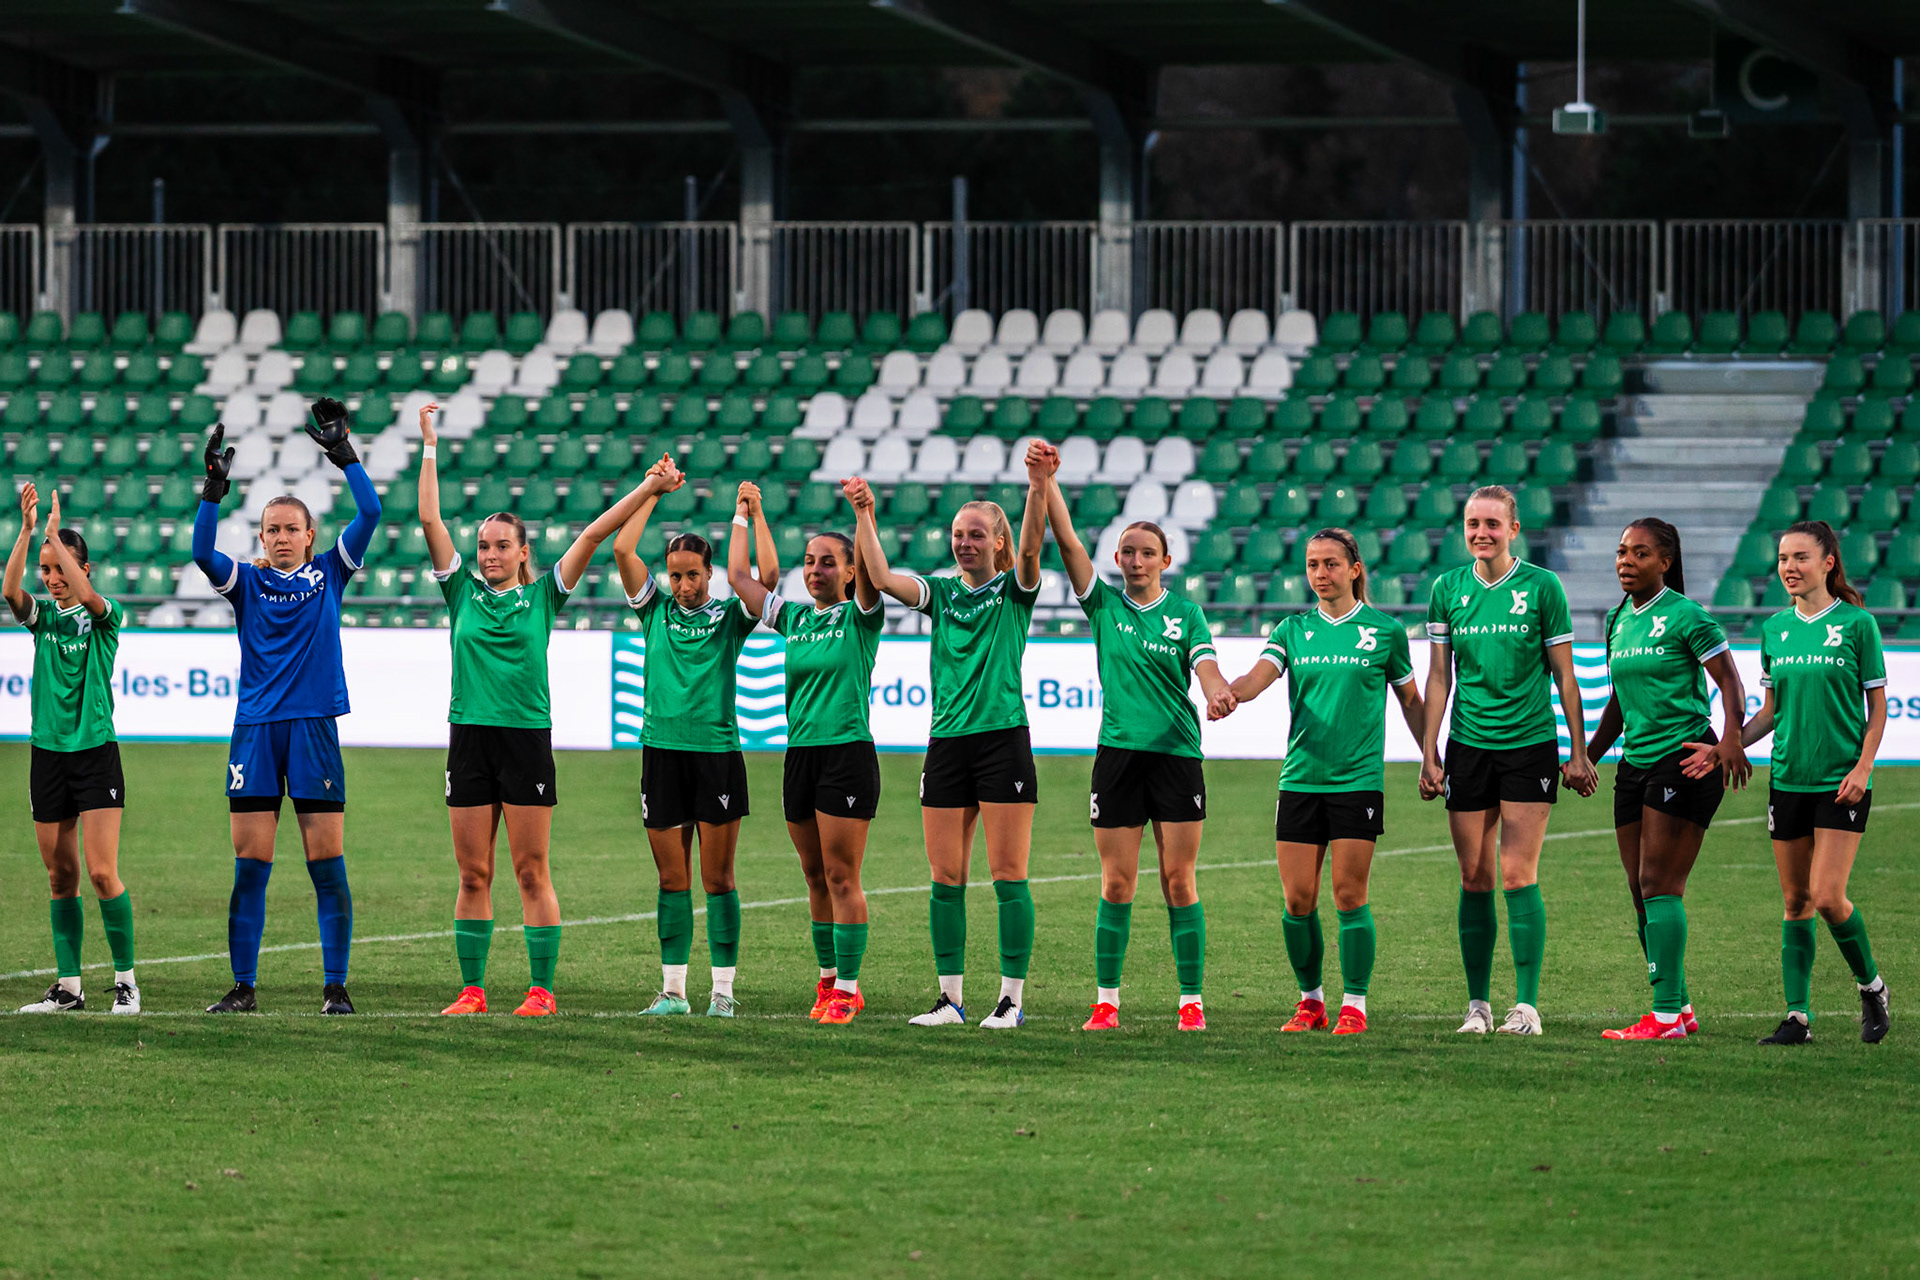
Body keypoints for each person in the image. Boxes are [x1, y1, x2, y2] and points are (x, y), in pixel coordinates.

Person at [417, 402, 665, 1018]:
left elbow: (593, 536)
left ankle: (542, 991)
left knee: (531, 870)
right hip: (469, 738)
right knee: (473, 873)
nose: (490, 554)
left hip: (526, 739)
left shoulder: (545, 596)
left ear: (523, 552)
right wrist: (429, 445)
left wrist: (648, 489)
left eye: (502, 546)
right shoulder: (460, 591)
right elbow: (429, 517)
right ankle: (472, 992)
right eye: (483, 546)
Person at [1017, 441, 1232, 1030]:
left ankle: (1191, 1003)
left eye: (1147, 554)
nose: (1136, 561)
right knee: (1116, 883)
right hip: (1117, 758)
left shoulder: (1186, 614)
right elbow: (1066, 543)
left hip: (1176, 757)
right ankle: (1106, 1002)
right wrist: (1046, 482)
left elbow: (1206, 665)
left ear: (1166, 560)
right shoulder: (1104, 606)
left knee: (1179, 881)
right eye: (1128, 553)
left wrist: (1217, 691)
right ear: (1116, 558)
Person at [192, 398, 381, 1014]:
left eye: (290, 529)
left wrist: (345, 455)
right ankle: (243, 987)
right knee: (251, 866)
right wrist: (213, 492)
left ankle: (336, 988)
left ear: (309, 535)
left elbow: (372, 511)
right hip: (255, 731)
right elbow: (201, 553)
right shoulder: (246, 581)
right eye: (271, 529)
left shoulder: (331, 573)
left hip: (313, 729)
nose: (280, 538)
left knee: (326, 864)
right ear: (261, 536)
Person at [851, 453, 1047, 1029]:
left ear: (998, 542)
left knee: (1008, 876)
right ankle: (950, 1000)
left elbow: (1032, 549)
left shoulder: (1015, 588)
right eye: (958, 535)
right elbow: (882, 578)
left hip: (1003, 741)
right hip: (946, 744)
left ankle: (1011, 1000)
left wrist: (1038, 485)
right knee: (945, 879)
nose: (964, 543)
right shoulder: (940, 592)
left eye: (977, 535)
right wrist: (865, 513)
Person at [1229, 527, 1426, 1037]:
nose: (1320, 573)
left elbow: (1410, 700)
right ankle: (1311, 1002)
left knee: (1349, 895)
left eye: (1331, 564)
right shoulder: (1293, 630)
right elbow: (1258, 676)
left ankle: (1354, 1005)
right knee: (1298, 901)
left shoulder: (1384, 631)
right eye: (1313, 564)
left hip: (1357, 781)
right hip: (1300, 779)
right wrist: (1231, 693)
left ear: (1355, 570)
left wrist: (1431, 756)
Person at [1419, 485, 1597, 1036]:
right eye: (1473, 523)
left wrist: (1579, 751)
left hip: (1528, 745)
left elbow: (1565, 674)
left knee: (1518, 874)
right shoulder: (1447, 589)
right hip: (1468, 746)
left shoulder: (1543, 587)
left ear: (1513, 530)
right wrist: (1428, 751)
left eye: (1492, 524)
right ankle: (1478, 1007)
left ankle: (1527, 1007)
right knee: (1474, 877)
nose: (1481, 533)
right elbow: (1439, 677)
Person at [613, 456, 774, 1017]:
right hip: (661, 754)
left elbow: (766, 579)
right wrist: (653, 492)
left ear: (709, 574)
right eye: (675, 575)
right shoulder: (654, 611)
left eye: (693, 575)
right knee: (671, 878)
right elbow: (622, 550)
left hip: (716, 755)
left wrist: (747, 516)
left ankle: (723, 993)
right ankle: (674, 992)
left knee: (719, 879)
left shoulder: (731, 616)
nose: (683, 585)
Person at [727, 478, 885, 1026]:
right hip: (800, 757)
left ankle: (848, 989)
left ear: (850, 572)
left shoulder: (861, 615)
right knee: (815, 876)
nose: (815, 571)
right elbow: (739, 578)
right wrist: (748, 514)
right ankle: (827, 979)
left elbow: (875, 574)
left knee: (843, 877)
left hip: (846, 754)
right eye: (810, 562)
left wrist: (863, 513)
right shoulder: (794, 618)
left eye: (828, 563)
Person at [1583, 519, 1749, 1041]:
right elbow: (1619, 700)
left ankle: (1664, 1016)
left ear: (1665, 562)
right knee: (1640, 890)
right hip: (1634, 763)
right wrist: (1586, 756)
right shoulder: (1617, 619)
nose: (1626, 561)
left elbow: (1730, 681)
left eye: (1640, 553)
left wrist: (1731, 739)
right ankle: (1679, 1006)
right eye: (1621, 552)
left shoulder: (1687, 615)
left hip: (1683, 758)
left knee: (1659, 885)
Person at [1737, 521, 1891, 1045]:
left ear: (1828, 563)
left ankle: (1871, 986)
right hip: (1788, 780)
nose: (1789, 567)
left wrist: (1863, 768)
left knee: (1827, 896)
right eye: (1783, 558)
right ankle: (1797, 1019)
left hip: (1840, 781)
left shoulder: (1857, 625)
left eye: (1801, 557)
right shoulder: (1775, 628)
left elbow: (1878, 709)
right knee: (1795, 901)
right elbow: (1771, 712)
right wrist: (1730, 744)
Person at [5, 483, 140, 1014]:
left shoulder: (106, 615)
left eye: (60, 567)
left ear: (84, 568)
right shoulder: (42, 619)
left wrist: (56, 534)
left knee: (102, 872)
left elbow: (88, 598)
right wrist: (28, 532)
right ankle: (68, 988)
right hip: (47, 755)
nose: (52, 577)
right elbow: (9, 591)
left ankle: (126, 982)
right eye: (46, 569)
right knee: (61, 876)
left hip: (95, 752)